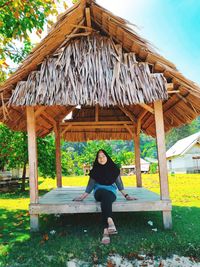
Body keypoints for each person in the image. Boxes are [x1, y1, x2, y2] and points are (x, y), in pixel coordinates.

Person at [73, 149, 137, 244]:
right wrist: (82, 197)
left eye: (103, 156)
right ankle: (110, 221)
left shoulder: (114, 169)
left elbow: (119, 184)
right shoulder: (95, 170)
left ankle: (106, 231)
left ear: (107, 157)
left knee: (106, 198)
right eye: (99, 157)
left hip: (111, 192)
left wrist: (127, 196)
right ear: (97, 159)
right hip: (99, 191)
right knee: (104, 194)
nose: (101, 158)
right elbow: (90, 186)